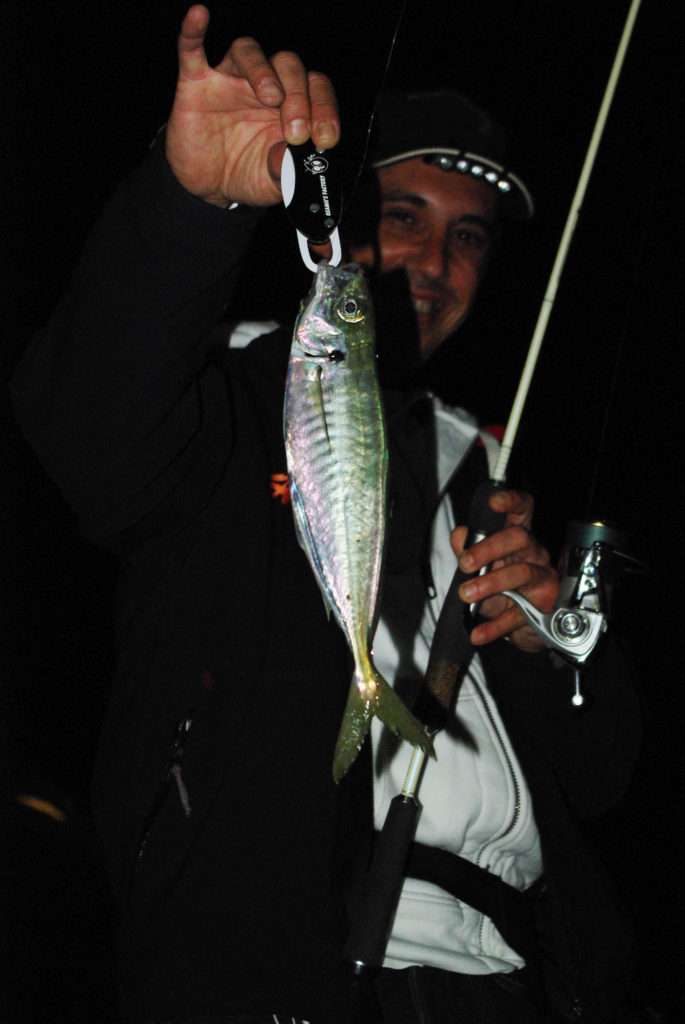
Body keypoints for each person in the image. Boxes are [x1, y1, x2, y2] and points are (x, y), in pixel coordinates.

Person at [11, 5, 640, 1023]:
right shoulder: (229, 397)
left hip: (518, 982)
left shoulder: (493, 471)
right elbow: (87, 429)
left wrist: (552, 647)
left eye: (467, 237)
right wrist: (189, 205)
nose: (433, 263)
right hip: (282, 967)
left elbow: (601, 771)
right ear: (341, 226)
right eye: (404, 217)